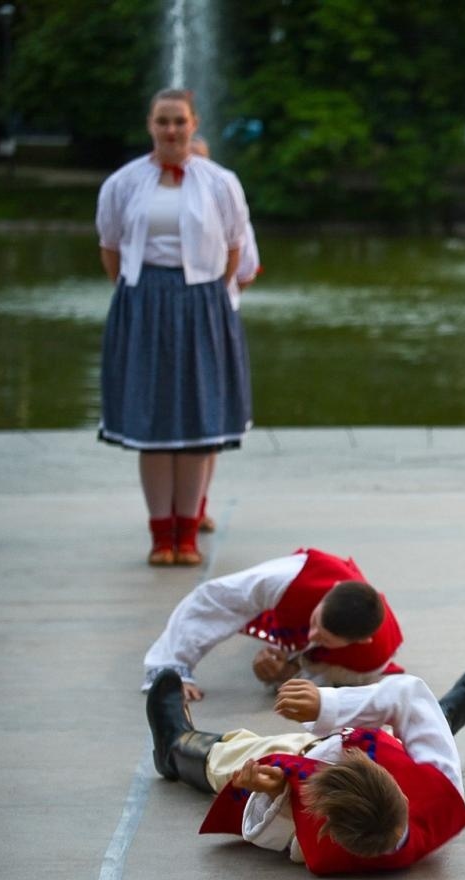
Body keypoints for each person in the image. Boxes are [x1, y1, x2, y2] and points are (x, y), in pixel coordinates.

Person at [144, 662, 465, 874]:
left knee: (229, 764)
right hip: (390, 745)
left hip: (305, 755)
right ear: (401, 794)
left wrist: (272, 791)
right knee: (421, 727)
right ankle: (442, 717)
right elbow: (408, 696)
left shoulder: (318, 850)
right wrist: (326, 705)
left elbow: (273, 834)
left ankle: (174, 747)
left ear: (324, 822)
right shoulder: (442, 787)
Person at [96, 88, 253, 567]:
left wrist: (203, 297)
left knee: (196, 424)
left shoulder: (220, 182)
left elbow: (233, 246)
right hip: (145, 303)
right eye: (163, 121)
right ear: (150, 124)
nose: (171, 130)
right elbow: (110, 246)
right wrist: (143, 296)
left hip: (201, 302)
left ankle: (187, 535)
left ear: (193, 123)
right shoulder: (123, 183)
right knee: (154, 425)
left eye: (179, 121)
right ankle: (160, 536)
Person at [143, 548, 403, 698]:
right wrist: (174, 666)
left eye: (323, 638)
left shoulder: (370, 659)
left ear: (358, 641)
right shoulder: (291, 575)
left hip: (345, 652)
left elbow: (324, 683)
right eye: (314, 622)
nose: (312, 635)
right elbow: (214, 599)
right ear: (332, 590)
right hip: (297, 592)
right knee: (237, 598)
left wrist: (284, 673)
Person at [187, 136, 261, 535]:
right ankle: (176, 511)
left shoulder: (227, 202)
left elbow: (247, 266)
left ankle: (197, 503)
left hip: (214, 317)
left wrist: (217, 298)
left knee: (207, 421)